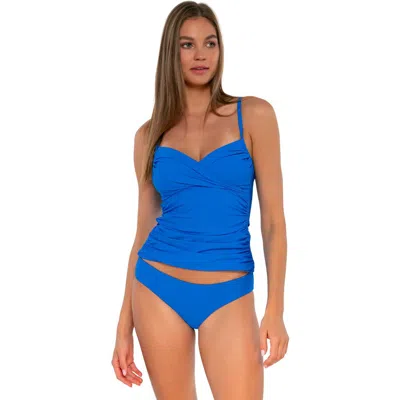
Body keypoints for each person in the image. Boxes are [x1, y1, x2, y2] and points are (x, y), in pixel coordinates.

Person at [112, 1, 289, 398]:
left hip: (229, 290)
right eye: (187, 44)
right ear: (170, 53)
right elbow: (142, 231)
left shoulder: (254, 115)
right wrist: (124, 326)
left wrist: (275, 309)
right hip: (157, 287)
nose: (201, 55)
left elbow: (273, 223)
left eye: (210, 43)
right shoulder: (149, 136)